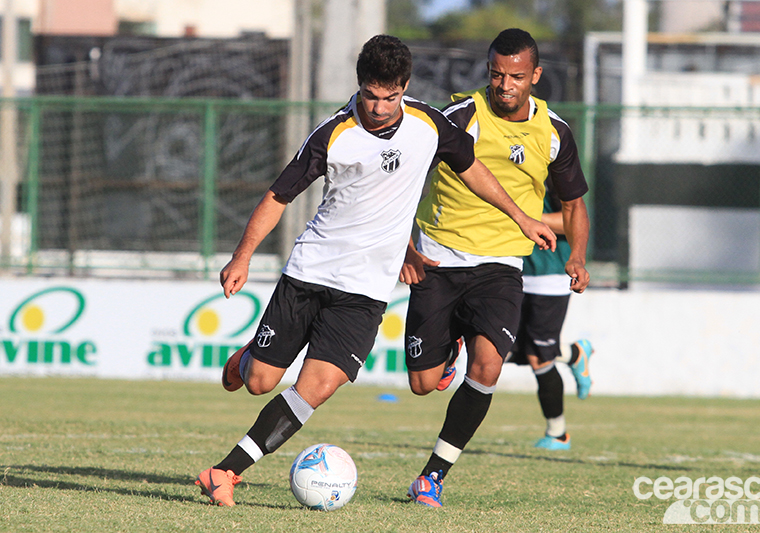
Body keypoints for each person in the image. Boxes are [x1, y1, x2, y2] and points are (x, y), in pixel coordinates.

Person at [194, 34, 557, 507]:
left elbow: (472, 169)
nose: (381, 107)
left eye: (391, 97)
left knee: (317, 388)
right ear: (359, 86)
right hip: (311, 273)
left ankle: (225, 472)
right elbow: (278, 196)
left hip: (364, 292)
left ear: (404, 87)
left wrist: (522, 216)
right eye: (371, 95)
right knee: (261, 381)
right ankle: (248, 358)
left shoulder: (429, 123)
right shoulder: (334, 134)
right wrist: (242, 255)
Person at [400, 28, 590, 507]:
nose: (505, 85)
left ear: (536, 76)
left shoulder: (554, 131)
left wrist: (578, 255)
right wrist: (404, 246)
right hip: (439, 258)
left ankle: (433, 476)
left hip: (501, 266)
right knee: (423, 385)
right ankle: (447, 349)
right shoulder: (462, 117)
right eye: (497, 74)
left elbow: (574, 204)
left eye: (516, 76)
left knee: (488, 367)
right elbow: (405, 176)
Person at [505, 180, 594, 451]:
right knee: (503, 350)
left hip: (550, 276)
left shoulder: (555, 172)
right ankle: (572, 354)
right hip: (513, 272)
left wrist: (523, 217)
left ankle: (558, 434)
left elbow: (574, 220)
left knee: (538, 356)